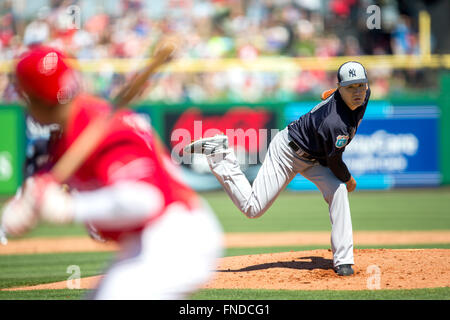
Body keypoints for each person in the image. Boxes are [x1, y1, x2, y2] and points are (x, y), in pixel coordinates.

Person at [1, 46, 223, 299]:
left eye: (26, 97)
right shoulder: (71, 131)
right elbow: (45, 183)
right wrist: (24, 203)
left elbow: (145, 200)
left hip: (178, 237)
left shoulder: (103, 128)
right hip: (144, 241)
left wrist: (70, 208)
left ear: (37, 98)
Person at [184, 61, 371, 276]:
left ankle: (344, 260)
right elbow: (335, 161)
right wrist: (348, 179)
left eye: (361, 85)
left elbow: (338, 98)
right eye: (350, 87)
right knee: (253, 208)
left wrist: (339, 92)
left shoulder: (364, 95)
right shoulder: (333, 122)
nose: (358, 91)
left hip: (316, 157)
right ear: (340, 87)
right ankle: (219, 154)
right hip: (288, 152)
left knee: (337, 192)